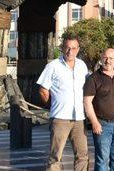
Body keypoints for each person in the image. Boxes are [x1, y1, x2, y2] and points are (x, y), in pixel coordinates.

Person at [37, 34, 89, 171]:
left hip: (79, 117)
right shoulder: (53, 66)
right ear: (62, 48)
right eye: (67, 48)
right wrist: (53, 105)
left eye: (73, 48)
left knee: (82, 155)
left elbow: (88, 88)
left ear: (78, 49)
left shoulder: (82, 66)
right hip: (60, 118)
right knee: (55, 156)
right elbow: (43, 89)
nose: (70, 51)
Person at [84, 48, 114, 171]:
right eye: (105, 57)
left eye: (111, 58)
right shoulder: (93, 78)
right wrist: (94, 122)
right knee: (102, 160)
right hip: (102, 125)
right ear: (101, 58)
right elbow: (87, 102)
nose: (108, 61)